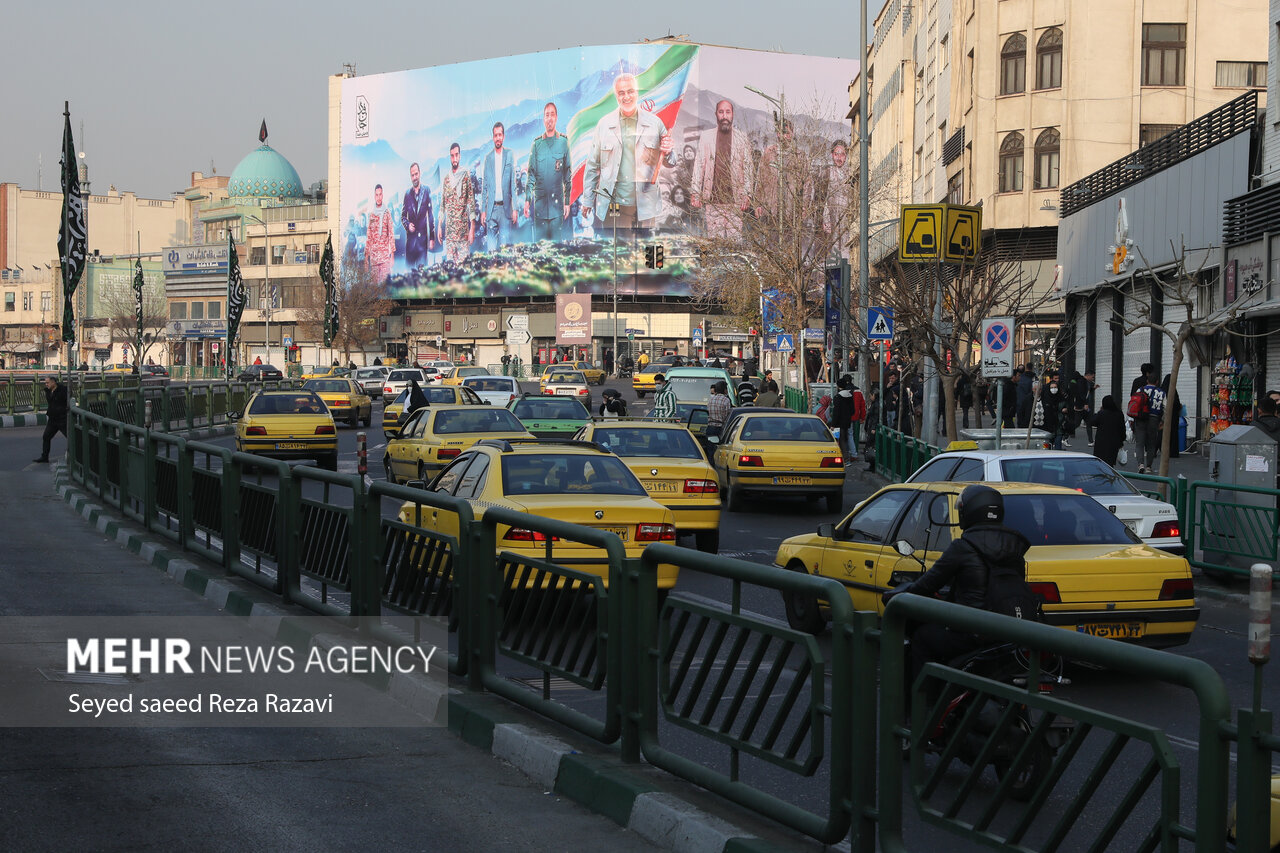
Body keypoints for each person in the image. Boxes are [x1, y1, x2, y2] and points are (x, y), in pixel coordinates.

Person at [885, 484, 1032, 706]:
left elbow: (926, 585)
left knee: (922, 640)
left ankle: (920, 712)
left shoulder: (964, 546)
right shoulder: (1014, 548)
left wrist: (898, 595)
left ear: (967, 513)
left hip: (973, 632)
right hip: (1008, 632)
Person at [581, 73, 675, 230]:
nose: (626, 97)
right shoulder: (604, 125)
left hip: (645, 205)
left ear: (637, 92)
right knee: (618, 253)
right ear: (615, 96)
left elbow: (671, 161)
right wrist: (588, 200)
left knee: (644, 252)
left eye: (630, 91)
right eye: (621, 93)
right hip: (614, 205)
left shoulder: (654, 124)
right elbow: (592, 165)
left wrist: (669, 150)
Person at [689, 99, 754, 239]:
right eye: (721, 112)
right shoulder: (706, 137)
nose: (724, 116)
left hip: (735, 203)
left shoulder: (742, 138)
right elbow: (699, 166)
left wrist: (748, 194)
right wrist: (695, 191)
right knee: (715, 245)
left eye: (727, 112)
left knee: (734, 245)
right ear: (716, 114)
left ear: (733, 114)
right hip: (713, 203)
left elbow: (748, 169)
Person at [526, 102, 573, 242]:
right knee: (540, 252)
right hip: (539, 209)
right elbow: (531, 175)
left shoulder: (563, 142)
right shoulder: (536, 145)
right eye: (547, 115)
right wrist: (528, 201)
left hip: (556, 210)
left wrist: (567, 202)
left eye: (552, 115)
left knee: (556, 250)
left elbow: (567, 174)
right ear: (543, 119)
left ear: (556, 118)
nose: (550, 118)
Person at [482, 122, 518, 252]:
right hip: (491, 210)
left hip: (506, 209)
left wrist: (515, 208)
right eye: (495, 135)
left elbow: (513, 184)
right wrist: (483, 211)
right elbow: (484, 187)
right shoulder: (488, 158)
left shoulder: (509, 155)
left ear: (503, 136)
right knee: (491, 251)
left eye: (500, 135)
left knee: (505, 250)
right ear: (493, 137)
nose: (497, 138)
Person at [439, 142, 477, 264]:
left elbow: (471, 201)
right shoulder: (446, 179)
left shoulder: (465, 175)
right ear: (450, 157)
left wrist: (472, 228)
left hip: (462, 235)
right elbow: (442, 204)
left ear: (460, 156)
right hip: (450, 236)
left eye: (456, 155)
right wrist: (439, 225)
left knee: (464, 269)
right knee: (450, 271)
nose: (454, 159)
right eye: (452, 156)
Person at [401, 162, 436, 268]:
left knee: (422, 275)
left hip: (422, 242)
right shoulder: (407, 194)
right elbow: (403, 217)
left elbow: (430, 215)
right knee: (409, 276)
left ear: (419, 173)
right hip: (410, 243)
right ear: (410, 176)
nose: (415, 177)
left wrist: (432, 238)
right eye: (412, 175)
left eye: (416, 174)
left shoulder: (426, 190)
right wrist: (407, 225)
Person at [364, 183, 395, 281]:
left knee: (386, 288)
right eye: (376, 195)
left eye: (380, 194)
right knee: (374, 291)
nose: (378, 197)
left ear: (383, 195)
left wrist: (392, 255)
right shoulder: (372, 214)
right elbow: (369, 237)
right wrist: (366, 257)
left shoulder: (387, 213)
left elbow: (391, 234)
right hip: (374, 259)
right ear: (374, 196)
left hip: (385, 258)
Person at [34, 375, 68, 463]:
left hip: (62, 419)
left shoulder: (63, 390)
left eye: (48, 382)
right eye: (45, 383)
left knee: (71, 437)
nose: (46, 384)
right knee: (46, 437)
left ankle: (74, 456)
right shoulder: (48, 392)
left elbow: (67, 400)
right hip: (53, 419)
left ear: (53, 382)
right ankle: (44, 457)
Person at [1090, 396, 1127, 467]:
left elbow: (1093, 422)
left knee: (1100, 463)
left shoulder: (1101, 413)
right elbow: (1122, 428)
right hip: (1114, 443)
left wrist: (1097, 413)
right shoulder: (1119, 413)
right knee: (1110, 463)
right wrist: (1122, 440)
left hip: (1101, 442)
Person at [830, 374, 858, 462]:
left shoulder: (838, 397)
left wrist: (833, 424)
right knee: (847, 438)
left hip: (839, 423)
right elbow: (853, 410)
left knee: (841, 440)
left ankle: (845, 459)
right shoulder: (850, 396)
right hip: (848, 422)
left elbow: (836, 412)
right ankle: (849, 456)